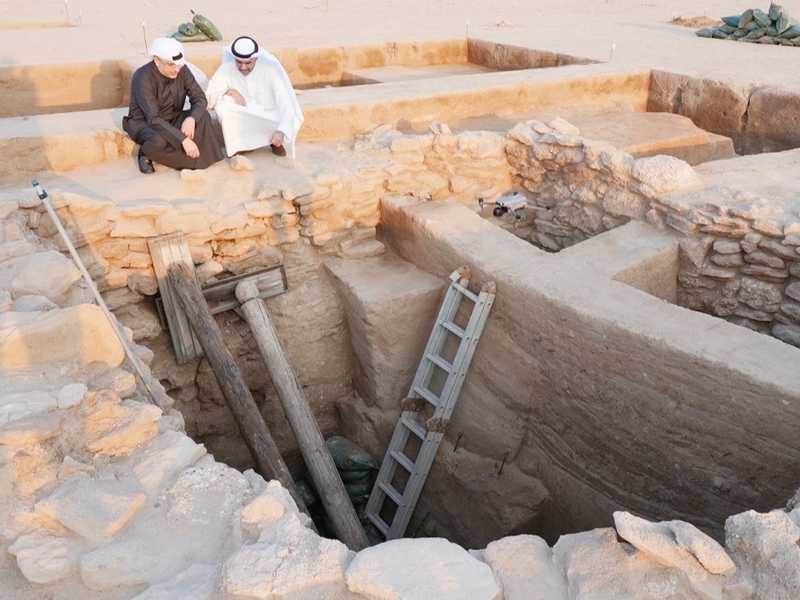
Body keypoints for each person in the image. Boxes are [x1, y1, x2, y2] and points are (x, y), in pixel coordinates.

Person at [123, 37, 225, 174]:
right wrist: (183, 139)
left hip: (172, 117)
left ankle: (185, 155)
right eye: (171, 65)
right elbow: (153, 118)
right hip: (146, 123)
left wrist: (191, 119)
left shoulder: (181, 69)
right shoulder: (142, 77)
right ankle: (146, 152)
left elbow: (200, 98)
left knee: (203, 116)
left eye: (179, 65)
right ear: (157, 60)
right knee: (159, 141)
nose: (177, 70)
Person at [205, 36, 303, 158]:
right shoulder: (226, 69)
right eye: (239, 62)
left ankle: (275, 142)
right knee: (225, 103)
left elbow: (286, 103)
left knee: (282, 118)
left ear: (256, 58)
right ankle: (239, 146)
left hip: (268, 117)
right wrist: (227, 92)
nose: (243, 67)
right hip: (243, 114)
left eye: (248, 63)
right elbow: (211, 94)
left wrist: (282, 131)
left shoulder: (270, 70)